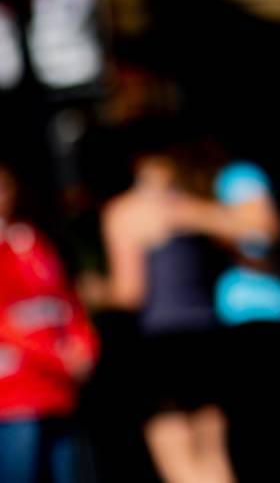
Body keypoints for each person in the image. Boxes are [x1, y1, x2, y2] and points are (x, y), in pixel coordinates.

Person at [100, 138, 235, 483]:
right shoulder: (192, 207)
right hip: (206, 332)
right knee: (212, 452)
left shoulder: (125, 212)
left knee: (175, 453)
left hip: (161, 341)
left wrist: (92, 292)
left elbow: (129, 293)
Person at [0, 162, 97, 483]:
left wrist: (84, 346)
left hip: (56, 393)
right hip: (13, 396)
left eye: (4, 186)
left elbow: (65, 303)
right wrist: (56, 358)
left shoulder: (32, 241)